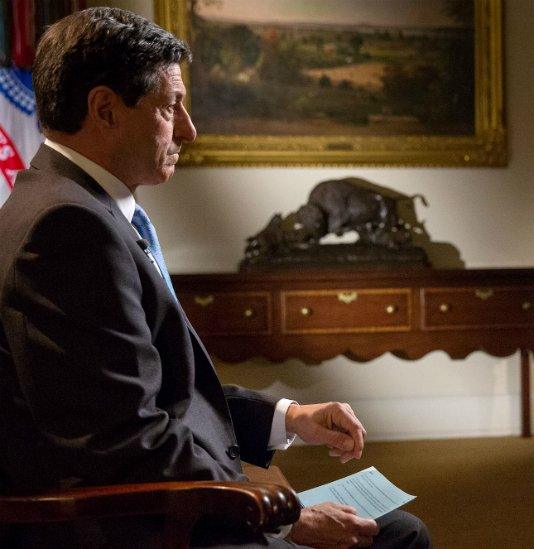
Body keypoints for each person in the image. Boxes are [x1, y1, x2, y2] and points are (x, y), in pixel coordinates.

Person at [0, 8, 428, 548]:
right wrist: (282, 516)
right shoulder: (67, 229)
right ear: (105, 109)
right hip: (138, 527)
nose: (189, 129)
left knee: (391, 528)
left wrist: (288, 417)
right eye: (170, 106)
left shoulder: (64, 205)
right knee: (398, 536)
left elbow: (152, 390)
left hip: (155, 504)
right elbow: (127, 441)